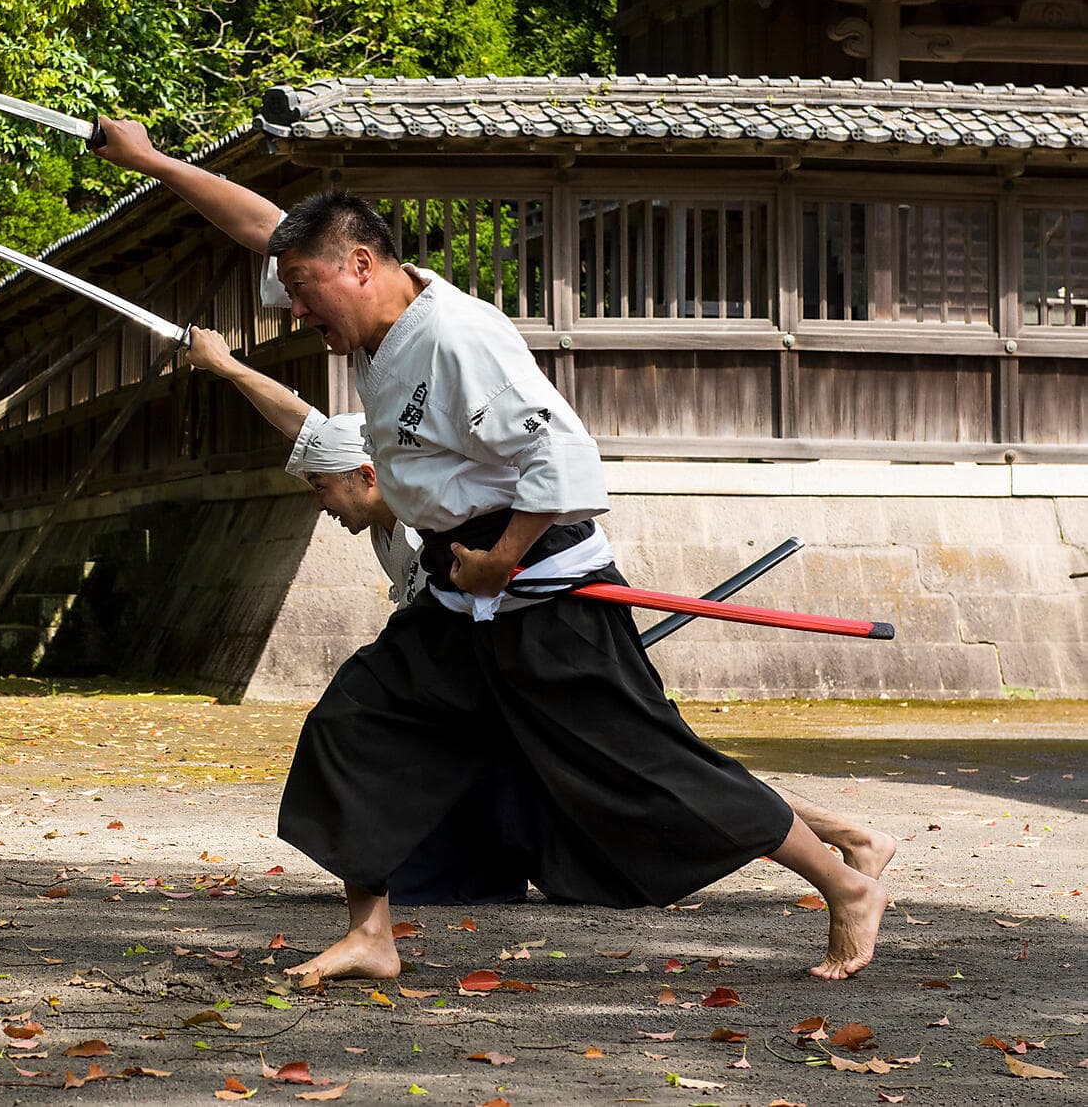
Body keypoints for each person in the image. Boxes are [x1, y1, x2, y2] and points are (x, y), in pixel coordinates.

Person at [98, 118, 889, 981]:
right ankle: (372, 933)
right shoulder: (375, 319)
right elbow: (268, 227)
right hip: (457, 598)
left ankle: (842, 884)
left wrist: (504, 557)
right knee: (355, 726)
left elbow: (562, 454)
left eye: (303, 288)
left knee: (649, 767)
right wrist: (151, 161)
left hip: (542, 594)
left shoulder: (457, 338)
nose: (293, 306)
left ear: (360, 266)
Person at [183, 327, 897, 904]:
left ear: (367, 474)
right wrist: (224, 366)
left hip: (543, 620)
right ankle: (842, 843)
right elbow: (306, 426)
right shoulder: (380, 489)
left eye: (322, 489)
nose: (319, 505)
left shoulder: (422, 499)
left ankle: (844, 847)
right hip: (476, 647)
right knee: (595, 762)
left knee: (645, 760)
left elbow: (547, 477)